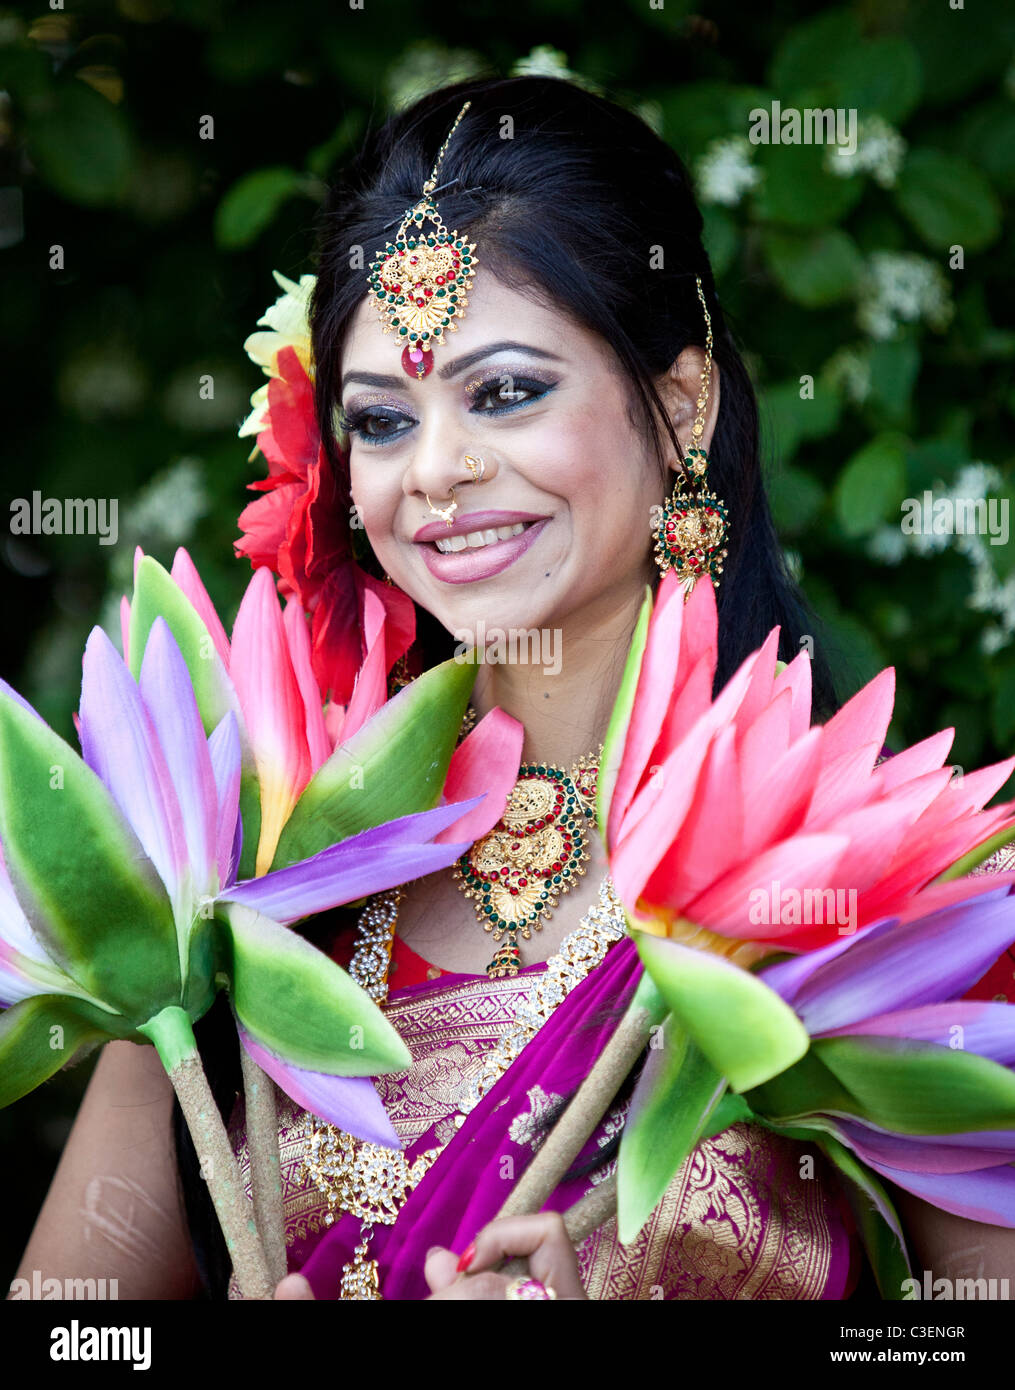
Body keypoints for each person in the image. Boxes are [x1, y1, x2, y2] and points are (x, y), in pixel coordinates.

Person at [13, 75, 1015, 1303]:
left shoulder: (873, 878)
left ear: (682, 405)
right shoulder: (237, 875)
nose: (436, 469)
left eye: (504, 393)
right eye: (381, 421)